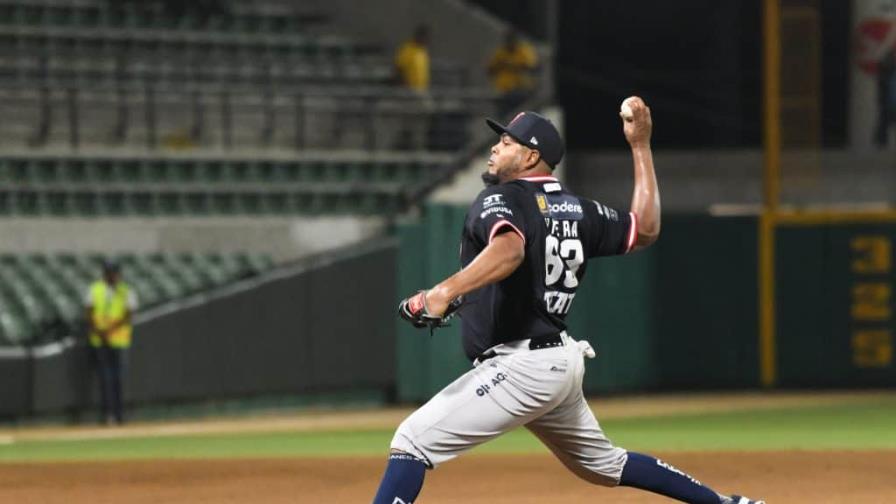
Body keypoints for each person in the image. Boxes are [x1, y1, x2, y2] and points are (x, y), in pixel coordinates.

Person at [374, 101, 764, 504]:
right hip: (558, 361)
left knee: (411, 441)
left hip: (522, 365)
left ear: (530, 156)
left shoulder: (502, 198)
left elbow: (510, 251)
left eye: (506, 142)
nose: (494, 148)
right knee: (605, 466)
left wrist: (441, 293)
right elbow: (644, 229)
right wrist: (641, 146)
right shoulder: (580, 209)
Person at [84, 260, 138, 425]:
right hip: (100, 341)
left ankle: (119, 415)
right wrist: (100, 332)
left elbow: (129, 314)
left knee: (119, 380)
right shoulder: (95, 289)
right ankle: (108, 415)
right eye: (110, 272)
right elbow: (89, 312)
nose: (113, 275)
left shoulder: (126, 291)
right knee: (105, 380)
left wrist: (110, 330)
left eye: (115, 272)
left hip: (119, 341)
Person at [487, 29, 539, 115]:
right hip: (504, 91)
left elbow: (532, 67)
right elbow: (490, 69)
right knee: (504, 115)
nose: (510, 42)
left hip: (521, 90)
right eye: (508, 39)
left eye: (512, 39)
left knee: (520, 114)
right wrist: (501, 65)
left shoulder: (524, 51)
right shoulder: (501, 53)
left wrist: (514, 64)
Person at [394, 25, 431, 93]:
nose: (426, 40)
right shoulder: (408, 49)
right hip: (409, 91)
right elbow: (399, 69)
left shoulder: (422, 51)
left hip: (422, 90)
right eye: (423, 37)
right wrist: (403, 87)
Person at [874, 48, 896, 148]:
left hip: (889, 102)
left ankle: (881, 142)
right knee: (884, 123)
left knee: (884, 123)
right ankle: (881, 142)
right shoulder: (886, 70)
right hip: (888, 102)